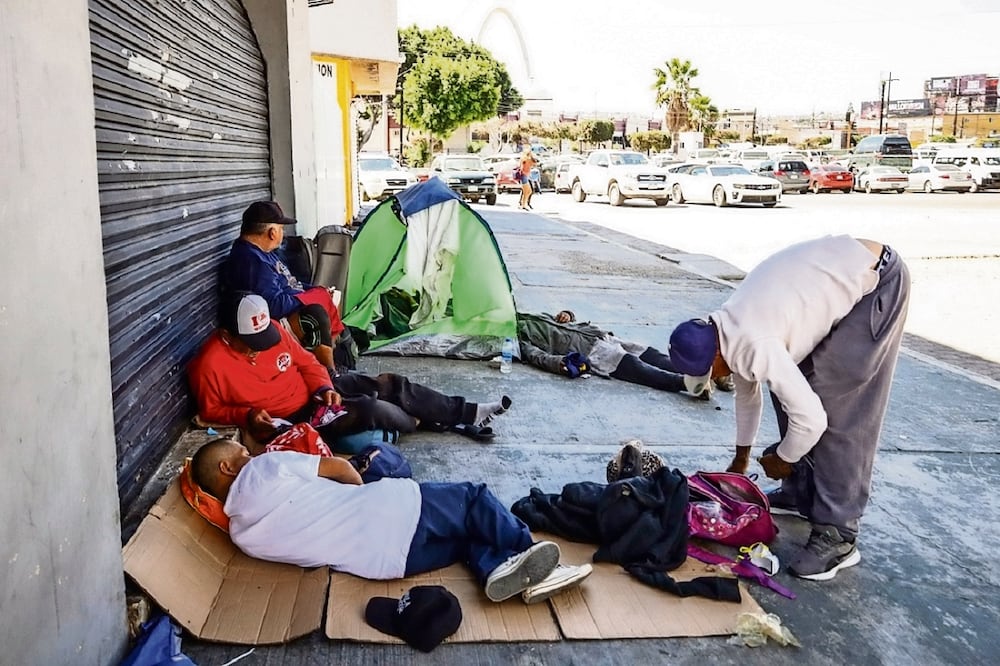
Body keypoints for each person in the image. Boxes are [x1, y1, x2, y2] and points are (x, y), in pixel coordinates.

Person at [667, 235, 910, 581]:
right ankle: (800, 492)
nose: (713, 379)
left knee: (834, 402)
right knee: (790, 386)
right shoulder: (727, 328)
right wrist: (741, 457)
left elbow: (811, 421)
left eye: (709, 374)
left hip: (877, 279)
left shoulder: (755, 343)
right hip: (838, 271)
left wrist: (785, 457)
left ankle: (838, 534)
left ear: (715, 358)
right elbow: (748, 395)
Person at [191, 437, 592, 604]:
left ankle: (495, 570)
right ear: (227, 467)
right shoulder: (264, 467)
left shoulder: (241, 534)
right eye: (239, 450)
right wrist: (358, 495)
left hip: (386, 565)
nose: (247, 451)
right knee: (474, 499)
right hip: (392, 514)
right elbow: (341, 470)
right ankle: (537, 557)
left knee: (467, 535)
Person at [187, 292, 512, 444]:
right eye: (251, 342)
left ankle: (467, 413)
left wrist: (325, 387)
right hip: (296, 419)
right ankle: (440, 421)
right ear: (227, 334)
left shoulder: (270, 330)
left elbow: (306, 361)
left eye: (264, 336)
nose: (263, 345)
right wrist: (246, 416)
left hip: (319, 392)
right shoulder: (209, 366)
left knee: (390, 384)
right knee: (372, 409)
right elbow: (210, 410)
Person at [221, 201, 345, 374]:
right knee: (315, 314)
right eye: (281, 229)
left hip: (286, 308)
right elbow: (273, 305)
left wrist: (315, 290)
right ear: (272, 232)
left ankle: (333, 359)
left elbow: (291, 283)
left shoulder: (263, 252)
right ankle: (329, 373)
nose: (282, 233)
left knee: (327, 295)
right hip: (270, 324)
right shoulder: (251, 262)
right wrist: (307, 298)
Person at [516, 309, 732, 397]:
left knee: (649, 354)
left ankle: (708, 372)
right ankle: (687, 383)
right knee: (634, 367)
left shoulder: (533, 316)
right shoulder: (519, 337)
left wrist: (566, 314)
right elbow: (537, 356)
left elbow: (566, 319)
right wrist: (559, 363)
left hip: (599, 335)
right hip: (589, 351)